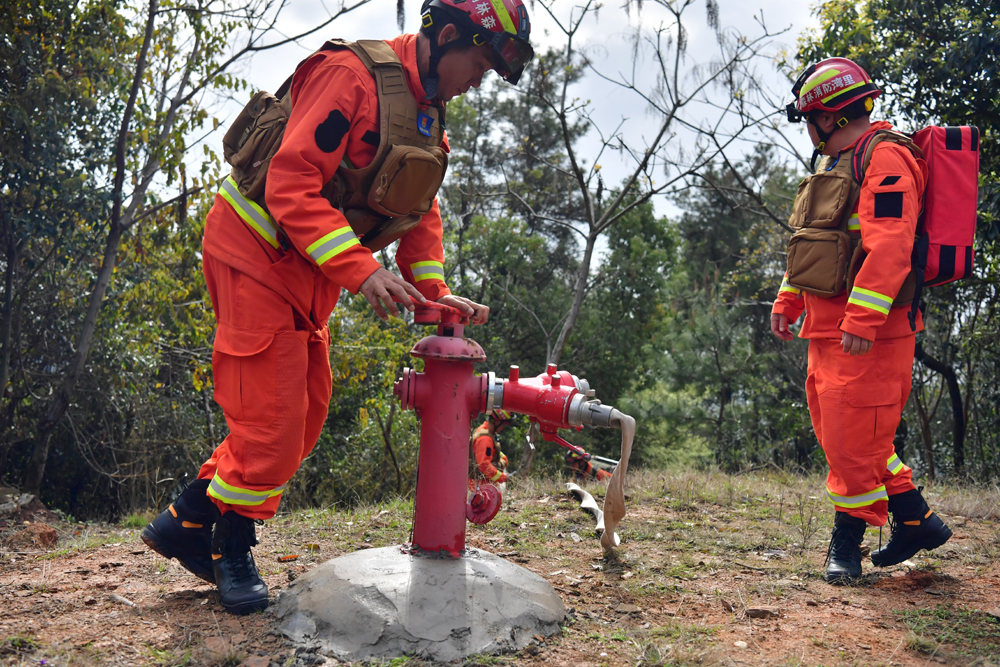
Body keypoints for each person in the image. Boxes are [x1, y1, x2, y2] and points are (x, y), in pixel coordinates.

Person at [142, 0, 534, 615]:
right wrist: (361, 270)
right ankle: (231, 547)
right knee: (272, 419)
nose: (479, 81)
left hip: (304, 276)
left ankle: (185, 518)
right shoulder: (351, 77)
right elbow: (290, 185)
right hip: (255, 251)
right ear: (449, 35)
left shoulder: (430, 119)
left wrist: (433, 291)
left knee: (304, 416)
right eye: (480, 65)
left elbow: (418, 211)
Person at [772, 57, 951, 584]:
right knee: (844, 437)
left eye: (810, 118)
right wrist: (789, 301)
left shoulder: (886, 157)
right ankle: (916, 519)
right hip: (828, 330)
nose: (809, 130)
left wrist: (863, 319)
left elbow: (891, 247)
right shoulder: (837, 165)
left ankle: (846, 546)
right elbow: (814, 249)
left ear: (828, 114)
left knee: (854, 441)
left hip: (870, 334)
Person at [469, 410, 512, 490]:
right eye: (503, 424)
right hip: (480, 487)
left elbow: (490, 451)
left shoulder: (484, 431)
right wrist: (503, 477)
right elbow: (484, 465)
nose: (503, 427)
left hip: (482, 485)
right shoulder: (485, 439)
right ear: (497, 422)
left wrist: (503, 458)